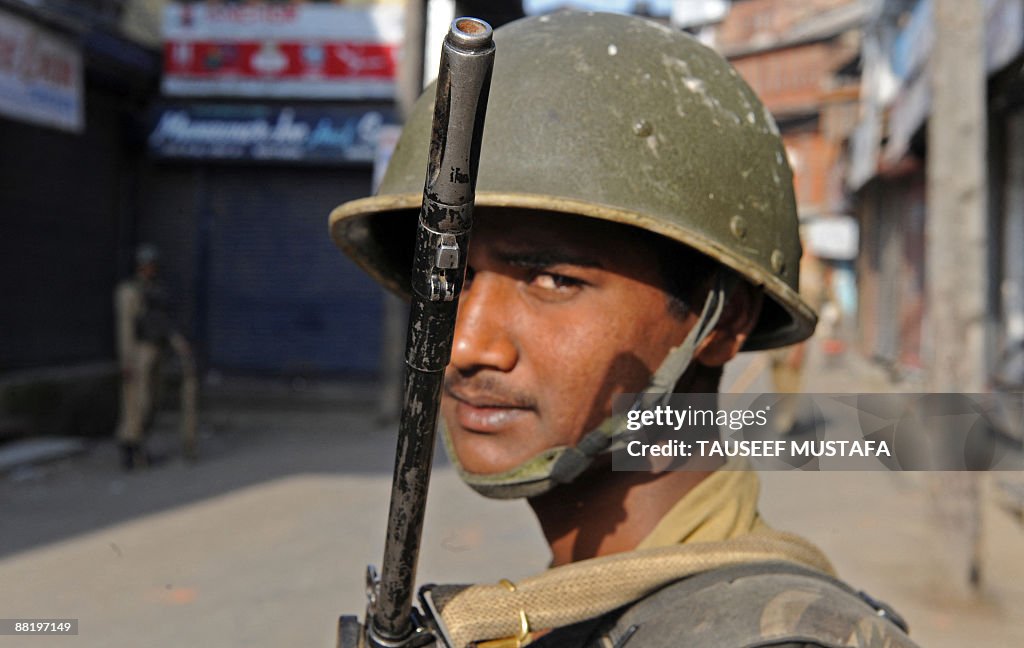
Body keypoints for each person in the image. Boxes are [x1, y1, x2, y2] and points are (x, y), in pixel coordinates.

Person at [330, 12, 916, 647]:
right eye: (455, 279)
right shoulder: (585, 607)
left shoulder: (767, 632)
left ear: (726, 319)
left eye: (553, 280)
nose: (465, 347)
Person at [114, 243, 198, 470]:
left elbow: (164, 323)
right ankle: (129, 449)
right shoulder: (129, 291)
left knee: (152, 402)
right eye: (146, 265)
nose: (150, 269)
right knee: (136, 403)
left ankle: (140, 450)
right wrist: (126, 361)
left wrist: (179, 345)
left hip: (156, 350)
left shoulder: (157, 290)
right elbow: (126, 329)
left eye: (152, 265)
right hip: (138, 354)